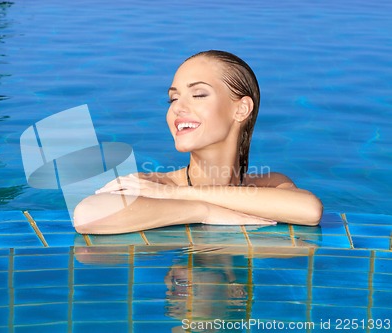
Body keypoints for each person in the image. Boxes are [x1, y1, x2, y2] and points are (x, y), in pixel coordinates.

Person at [73, 50, 322, 234]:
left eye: (199, 94)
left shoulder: (269, 183)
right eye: (173, 99)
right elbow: (86, 215)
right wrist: (203, 211)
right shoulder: (156, 182)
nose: (178, 108)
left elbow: (310, 210)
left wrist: (176, 194)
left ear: (241, 109)